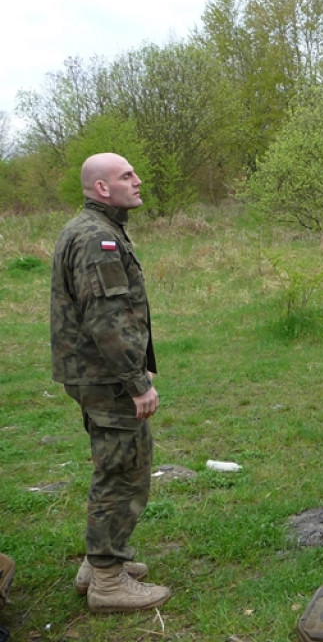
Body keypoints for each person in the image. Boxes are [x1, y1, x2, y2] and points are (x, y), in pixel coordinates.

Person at [50, 153, 172, 613]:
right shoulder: (96, 236)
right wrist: (137, 382)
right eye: (127, 176)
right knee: (125, 471)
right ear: (102, 188)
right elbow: (107, 319)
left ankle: (99, 562)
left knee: (113, 464)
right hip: (104, 376)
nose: (138, 181)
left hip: (92, 372)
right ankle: (107, 580)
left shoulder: (92, 228)